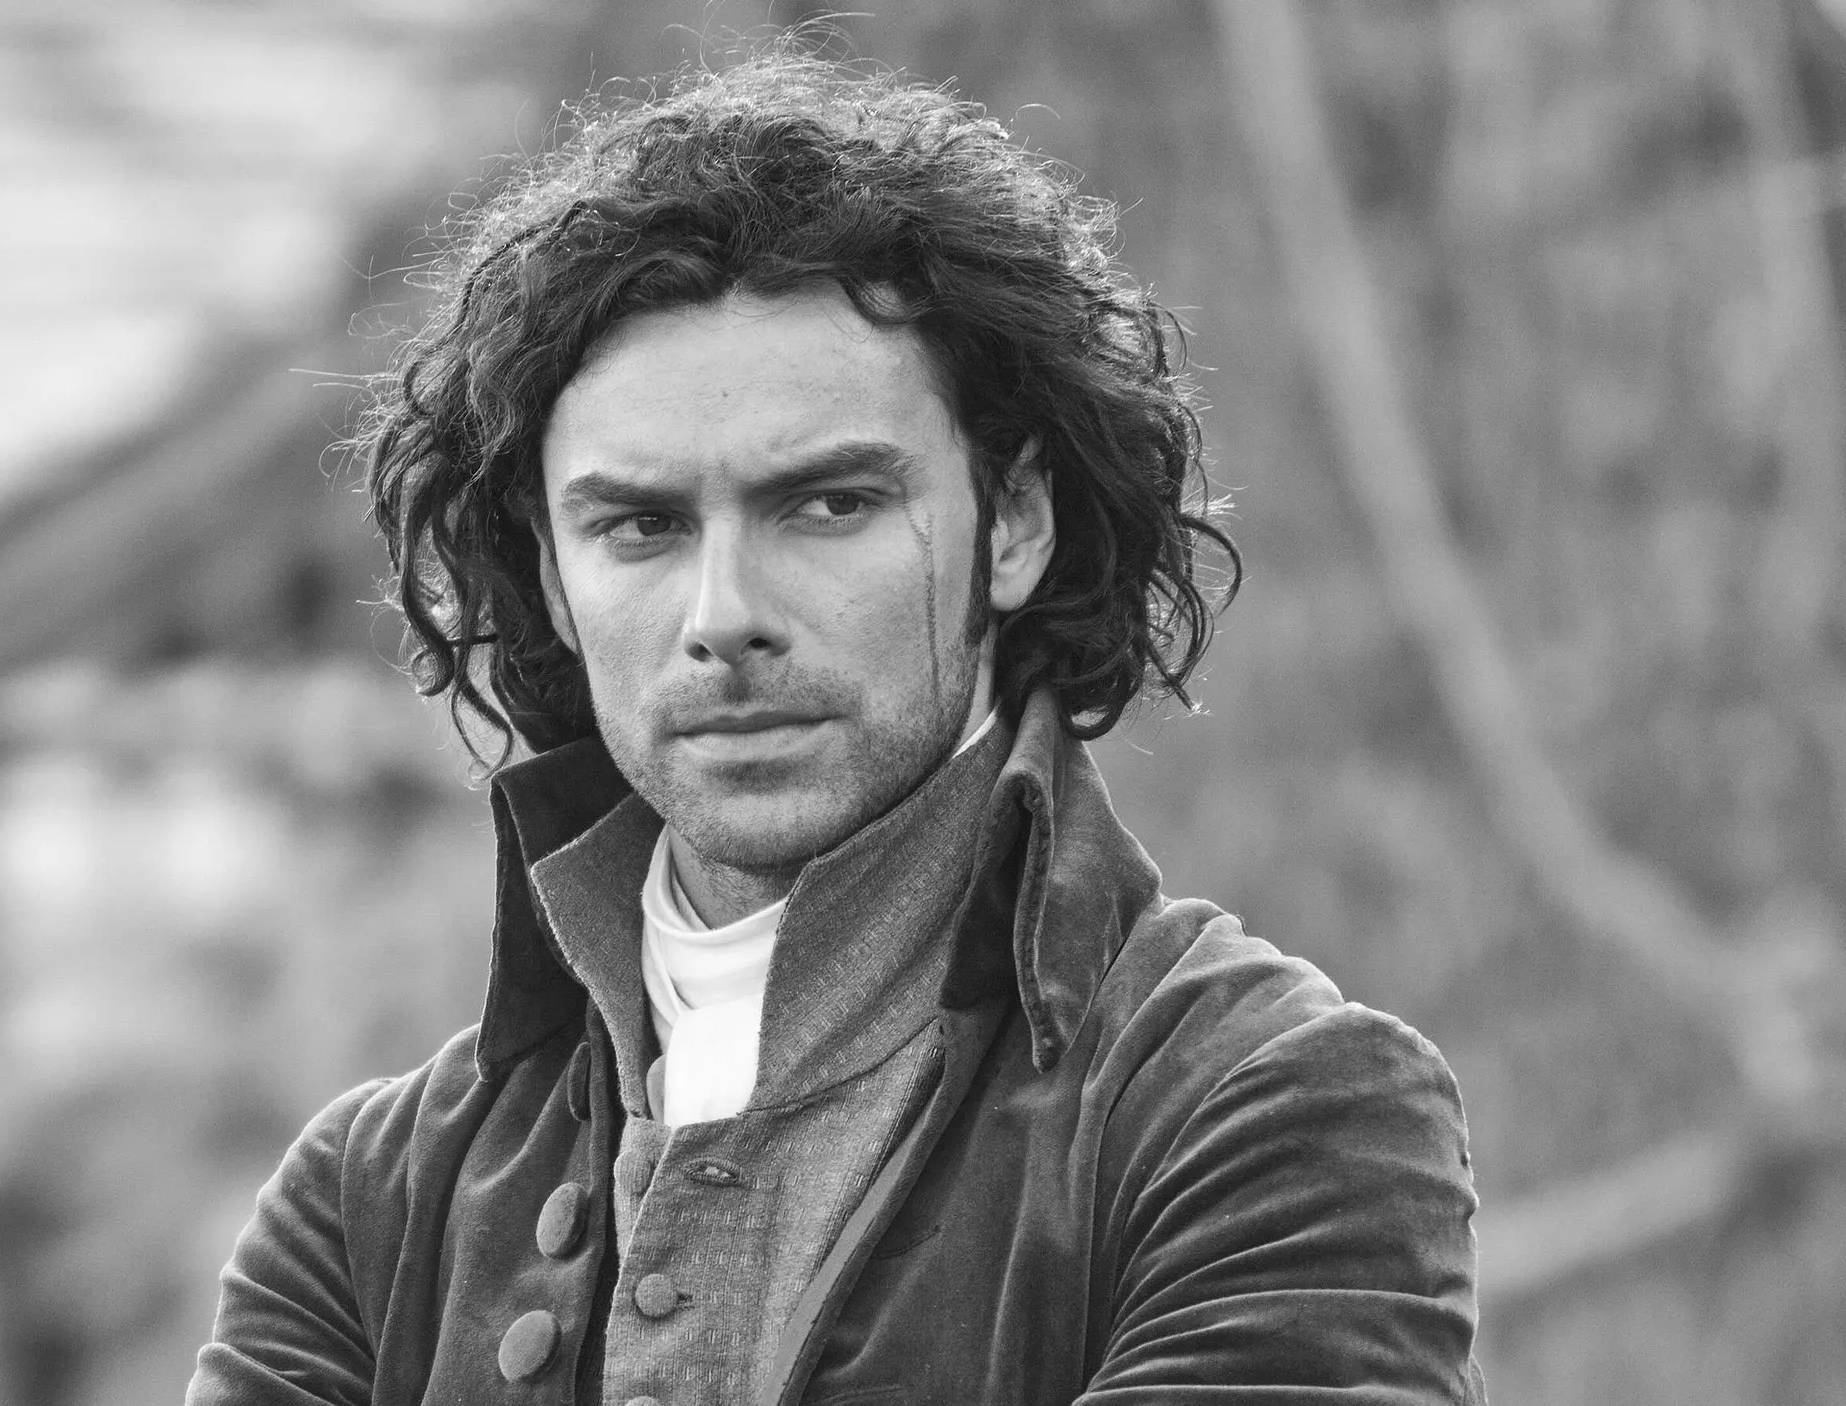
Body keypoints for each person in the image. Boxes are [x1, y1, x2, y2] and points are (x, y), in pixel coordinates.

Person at [187, 51, 1484, 1406]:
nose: (724, 615)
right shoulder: (367, 1211)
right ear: (553, 578)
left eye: (828, 505)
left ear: (1014, 523)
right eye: (639, 526)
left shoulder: (1264, 1107)